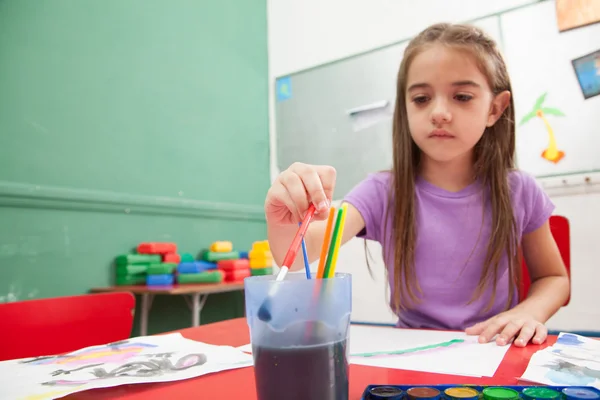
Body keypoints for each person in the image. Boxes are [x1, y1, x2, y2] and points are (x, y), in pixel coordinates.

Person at [264, 23, 570, 347]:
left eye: (462, 96)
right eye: (422, 99)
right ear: (406, 108)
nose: (438, 113)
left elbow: (554, 278)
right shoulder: (382, 191)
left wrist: (529, 312)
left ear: (495, 108)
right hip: (412, 357)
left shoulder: (520, 190)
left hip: (494, 350)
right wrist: (282, 216)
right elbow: (294, 255)